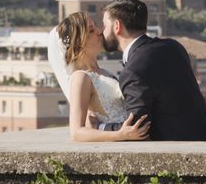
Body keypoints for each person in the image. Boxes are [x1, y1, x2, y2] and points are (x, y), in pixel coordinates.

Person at [100, 0, 206, 141]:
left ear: (117, 26)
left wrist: (101, 127)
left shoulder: (133, 71)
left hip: (193, 150)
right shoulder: (173, 47)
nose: (102, 32)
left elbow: (137, 127)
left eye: (105, 26)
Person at [50, 12, 150, 142]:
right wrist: (120, 135)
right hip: (121, 144)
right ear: (78, 42)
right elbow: (76, 133)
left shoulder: (105, 72)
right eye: (91, 30)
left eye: (96, 26)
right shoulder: (80, 78)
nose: (99, 31)